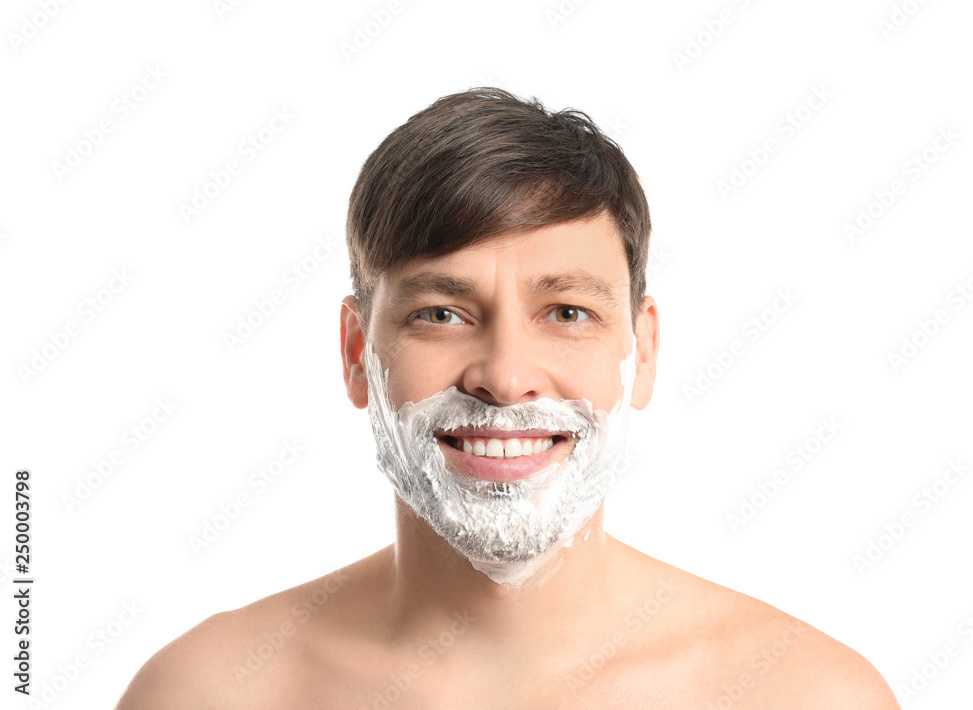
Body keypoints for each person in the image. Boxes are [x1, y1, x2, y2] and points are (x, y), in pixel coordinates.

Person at [116, 87, 900, 709]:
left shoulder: (804, 696)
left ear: (644, 350)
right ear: (358, 354)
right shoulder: (203, 694)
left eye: (567, 312)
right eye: (441, 314)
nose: (505, 375)